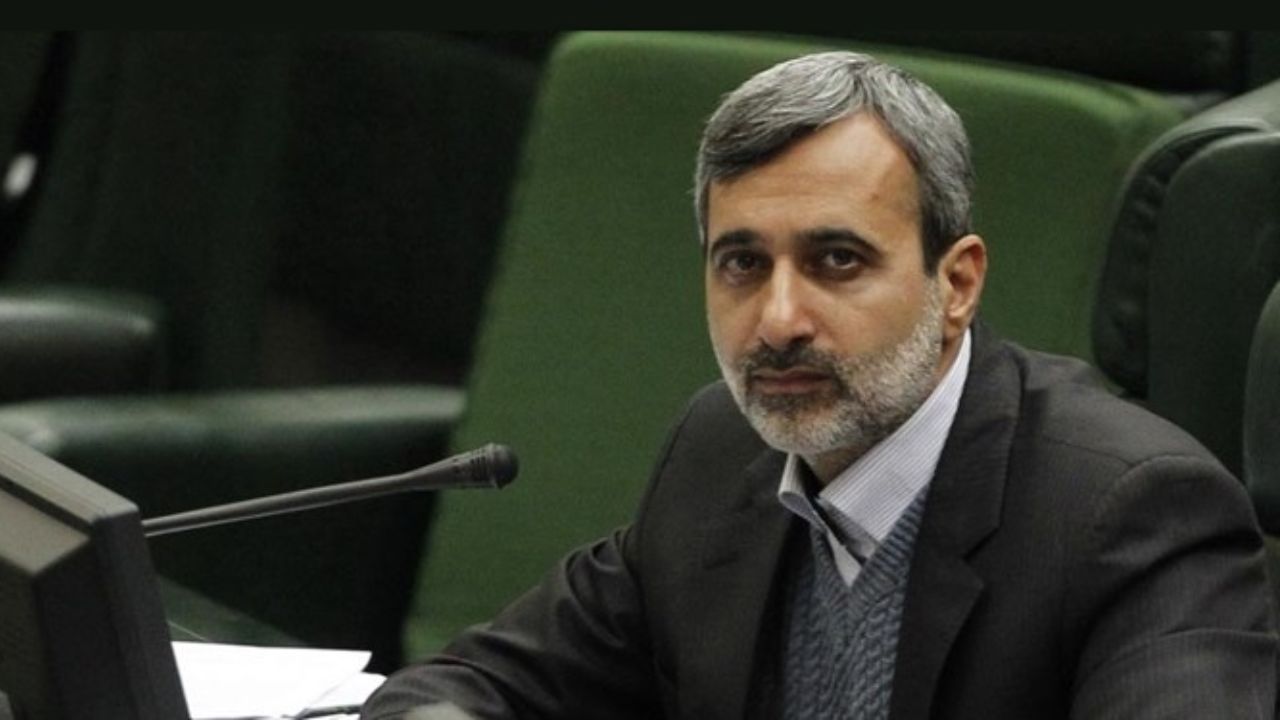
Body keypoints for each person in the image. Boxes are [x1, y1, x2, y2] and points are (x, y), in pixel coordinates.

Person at [363, 51, 1278, 719]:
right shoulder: (722, 450)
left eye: (837, 260)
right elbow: (478, 684)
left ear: (957, 283)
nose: (778, 321)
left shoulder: (1131, 513)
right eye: (742, 263)